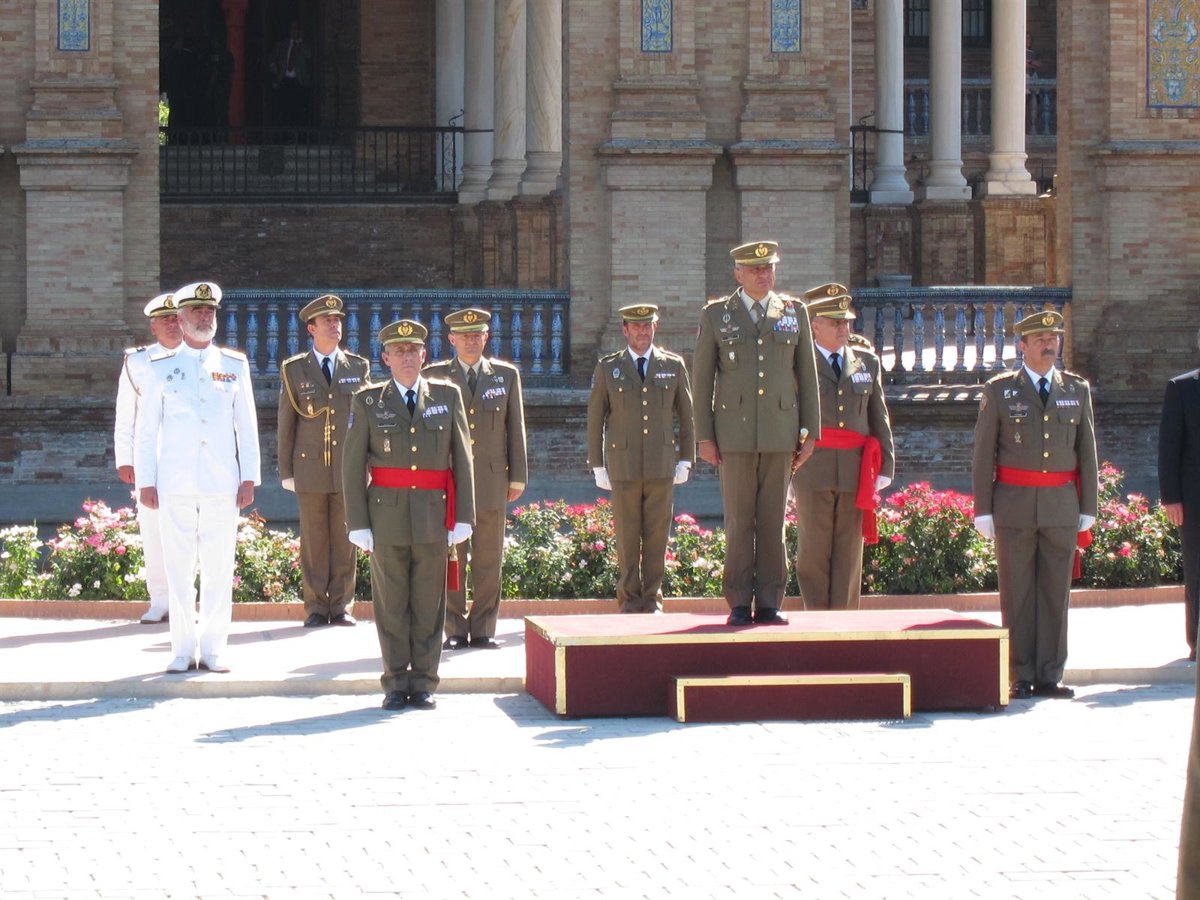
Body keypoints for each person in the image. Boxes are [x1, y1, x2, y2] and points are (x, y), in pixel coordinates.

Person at [343, 320, 475, 711]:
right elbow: (352, 466)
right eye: (398, 351)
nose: (406, 357)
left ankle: (425, 682)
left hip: (434, 515)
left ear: (424, 355)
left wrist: (463, 516)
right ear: (385, 358)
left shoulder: (447, 396)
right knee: (391, 605)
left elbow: (463, 458)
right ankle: (395, 682)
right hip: (386, 516)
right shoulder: (368, 402)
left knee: (429, 604)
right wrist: (358, 523)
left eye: (413, 350)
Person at [692, 240, 822, 626]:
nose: (764, 275)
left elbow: (807, 377)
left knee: (772, 520)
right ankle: (737, 600)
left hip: (781, 433)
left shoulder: (793, 312)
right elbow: (702, 380)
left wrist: (811, 433)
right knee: (738, 519)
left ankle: (769, 601)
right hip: (733, 434)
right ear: (738, 274)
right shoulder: (717, 315)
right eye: (755, 269)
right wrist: (704, 436)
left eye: (768, 268)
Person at [135, 281, 261, 674]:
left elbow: (247, 425)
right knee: (178, 567)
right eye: (197, 312)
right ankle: (181, 648)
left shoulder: (233, 365)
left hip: (222, 480)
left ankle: (213, 648)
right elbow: (146, 430)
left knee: (219, 567)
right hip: (174, 480)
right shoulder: (160, 367)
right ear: (181, 318)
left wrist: (249, 476)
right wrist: (146, 481)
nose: (205, 318)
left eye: (209, 312)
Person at [972, 309, 1097, 701]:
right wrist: (983, 509)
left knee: (1055, 592)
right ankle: (1021, 672)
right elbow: (983, 454)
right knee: (1018, 592)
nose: (1049, 344)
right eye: (1041, 339)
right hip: (1015, 505)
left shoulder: (1076, 389)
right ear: (1022, 345)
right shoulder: (1000, 391)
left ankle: (1050, 674)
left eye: (1054, 338)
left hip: (1061, 505)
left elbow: (1087, 452)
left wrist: (1089, 505)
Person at [423, 307, 527, 650]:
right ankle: (454, 628)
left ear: (486, 337)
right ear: (451, 339)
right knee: (450, 556)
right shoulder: (434, 376)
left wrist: (518, 477)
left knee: (488, 558)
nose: (471, 341)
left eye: (477, 335)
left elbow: (515, 428)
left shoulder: (505, 376)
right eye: (464, 336)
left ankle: (483, 629)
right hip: (449, 482)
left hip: (491, 479)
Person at [789, 284, 895, 610]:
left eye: (846, 322)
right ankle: (817, 618)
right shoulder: (796, 363)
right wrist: (784, 468)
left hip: (855, 468)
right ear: (815, 325)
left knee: (849, 549)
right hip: (812, 466)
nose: (843, 328)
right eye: (835, 322)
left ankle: (845, 620)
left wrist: (886, 465)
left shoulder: (866, 362)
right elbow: (788, 416)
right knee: (814, 550)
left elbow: (878, 416)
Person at [587, 303, 695, 613]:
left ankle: (652, 598)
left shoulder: (672, 365)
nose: (642, 332)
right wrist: (597, 464)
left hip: (661, 463)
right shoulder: (609, 367)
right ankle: (630, 599)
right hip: (623, 465)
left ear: (655, 328)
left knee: (658, 535)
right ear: (625, 330)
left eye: (647, 326)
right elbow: (596, 418)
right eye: (636, 326)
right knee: (627, 535)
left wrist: (686, 459)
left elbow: (687, 416)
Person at [277, 294, 371, 629]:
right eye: (327, 321)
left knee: (346, 539)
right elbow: (287, 423)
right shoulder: (294, 369)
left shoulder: (358, 367)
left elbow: (367, 422)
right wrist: (287, 470)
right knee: (314, 540)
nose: (334, 325)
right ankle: (316, 606)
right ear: (311, 328)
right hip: (310, 466)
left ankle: (342, 605)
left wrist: (369, 465)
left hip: (348, 467)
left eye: (337, 320)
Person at [114, 292, 184, 625]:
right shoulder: (137, 362)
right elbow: (125, 414)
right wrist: (125, 459)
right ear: (153, 327)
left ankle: (185, 600)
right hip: (151, 457)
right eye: (164, 320)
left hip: (188, 457)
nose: (172, 325)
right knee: (153, 531)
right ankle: (159, 599)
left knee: (188, 533)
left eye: (176, 318)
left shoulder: (197, 357)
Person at [1158, 326, 1200, 661]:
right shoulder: (1182, 388)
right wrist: (1171, 497)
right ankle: (1197, 641)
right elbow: (1169, 447)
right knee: (1197, 571)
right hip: (1194, 498)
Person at [269, 21, 313, 130]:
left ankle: (297, 134)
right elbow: (272, 57)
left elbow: (309, 55)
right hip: (284, 80)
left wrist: (300, 42)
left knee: (297, 110)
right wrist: (273, 66)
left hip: (298, 81)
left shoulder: (302, 45)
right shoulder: (282, 44)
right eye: (292, 29)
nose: (294, 31)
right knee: (284, 109)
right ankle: (284, 133)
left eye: (296, 29)